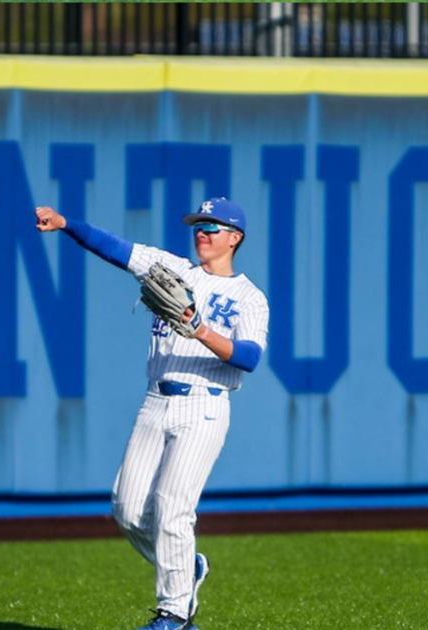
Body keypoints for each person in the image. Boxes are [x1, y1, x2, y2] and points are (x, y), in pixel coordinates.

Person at [35, 198, 269, 630]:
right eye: (198, 224)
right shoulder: (173, 268)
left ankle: (175, 614)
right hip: (155, 400)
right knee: (126, 508)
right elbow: (116, 249)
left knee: (173, 507)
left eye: (213, 226)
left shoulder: (249, 297)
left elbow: (250, 357)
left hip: (205, 403)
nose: (202, 232)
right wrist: (66, 224)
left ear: (235, 238)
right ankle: (188, 567)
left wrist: (199, 328)